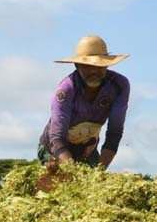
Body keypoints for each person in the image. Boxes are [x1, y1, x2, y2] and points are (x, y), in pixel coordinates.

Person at [38, 35, 130, 169]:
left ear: (107, 65)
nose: (93, 71)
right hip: (55, 150)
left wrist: (100, 172)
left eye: (99, 66)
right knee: (61, 185)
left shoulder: (119, 86)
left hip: (87, 149)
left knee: (93, 186)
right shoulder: (66, 90)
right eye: (87, 66)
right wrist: (75, 173)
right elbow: (57, 139)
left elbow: (114, 132)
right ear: (77, 65)